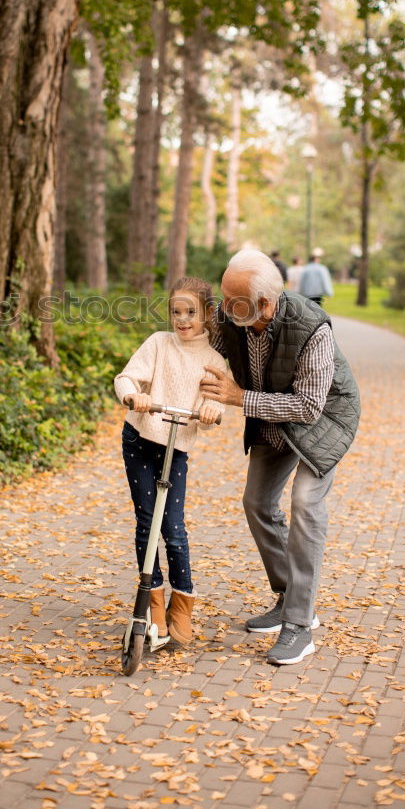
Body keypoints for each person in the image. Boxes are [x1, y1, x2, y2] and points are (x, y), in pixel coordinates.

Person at [200, 250, 360, 665]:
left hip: (323, 420)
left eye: (232, 300)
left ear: (266, 304)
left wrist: (240, 398)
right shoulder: (230, 317)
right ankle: (290, 597)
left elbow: (308, 407)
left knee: (306, 503)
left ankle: (300, 625)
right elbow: (200, 351)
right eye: (223, 296)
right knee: (256, 502)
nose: (222, 307)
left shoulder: (312, 329)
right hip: (272, 415)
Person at [114, 276, 227, 646]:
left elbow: (212, 399)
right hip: (140, 439)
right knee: (147, 522)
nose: (182, 320)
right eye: (176, 312)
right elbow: (126, 377)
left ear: (207, 313)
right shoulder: (158, 344)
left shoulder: (213, 358)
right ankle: (154, 603)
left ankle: (183, 602)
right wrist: (135, 396)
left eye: (190, 312)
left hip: (175, 447)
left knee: (174, 530)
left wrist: (210, 410)